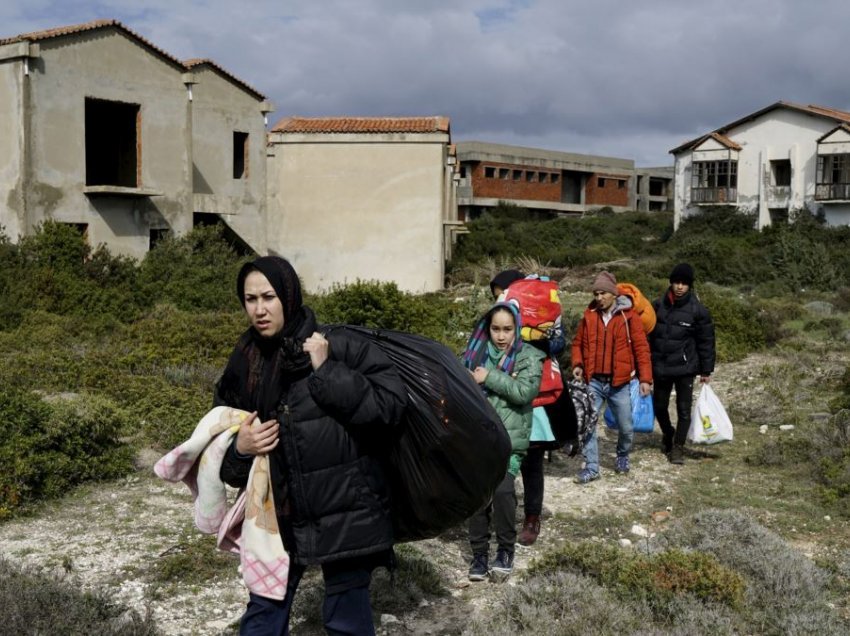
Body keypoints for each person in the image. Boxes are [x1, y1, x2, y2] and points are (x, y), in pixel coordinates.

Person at [216, 256, 407, 636]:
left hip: (345, 510)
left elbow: (389, 409)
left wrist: (327, 371)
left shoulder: (338, 346)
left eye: (268, 297)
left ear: (288, 295)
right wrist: (241, 448)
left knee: (347, 620)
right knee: (263, 617)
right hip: (279, 515)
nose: (259, 309)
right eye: (250, 299)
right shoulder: (243, 363)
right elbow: (224, 459)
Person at [462, 301, 544, 581]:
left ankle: (505, 550)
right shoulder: (475, 353)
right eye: (495, 329)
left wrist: (489, 377)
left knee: (503, 493)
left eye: (507, 329)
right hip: (478, 440)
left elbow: (524, 392)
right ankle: (479, 554)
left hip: (509, 440)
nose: (500, 335)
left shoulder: (528, 356)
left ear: (516, 329)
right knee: (478, 499)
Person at [489, 270, 566, 547]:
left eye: (503, 293)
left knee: (532, 464)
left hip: (534, 400)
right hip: (498, 401)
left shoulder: (542, 314)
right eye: (496, 295)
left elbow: (559, 342)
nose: (500, 299)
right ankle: (496, 514)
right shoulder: (496, 321)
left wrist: (534, 339)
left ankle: (532, 517)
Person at [570, 271, 653, 483]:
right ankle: (591, 466)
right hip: (594, 381)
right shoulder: (589, 316)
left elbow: (642, 349)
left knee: (626, 427)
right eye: (596, 293)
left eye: (603, 293)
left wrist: (645, 379)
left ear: (613, 293)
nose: (599, 298)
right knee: (589, 421)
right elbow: (578, 343)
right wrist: (578, 364)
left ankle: (623, 455)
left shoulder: (629, 317)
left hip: (620, 383)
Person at [649, 263, 716, 464]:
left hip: (686, 369)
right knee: (659, 407)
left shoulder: (698, 311)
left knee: (684, 410)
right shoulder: (657, 306)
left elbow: (706, 342)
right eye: (677, 282)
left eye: (684, 283)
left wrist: (706, 369)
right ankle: (668, 433)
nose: (679, 286)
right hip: (661, 365)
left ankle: (678, 447)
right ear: (671, 282)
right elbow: (646, 334)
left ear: (690, 286)